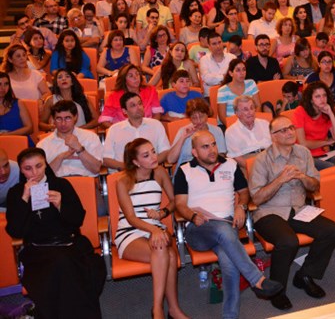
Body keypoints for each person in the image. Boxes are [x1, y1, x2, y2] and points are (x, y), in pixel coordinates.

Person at [174, 131, 283, 319]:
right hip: (199, 229)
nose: (212, 149)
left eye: (213, 144)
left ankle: (230, 315)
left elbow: (244, 192)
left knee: (229, 261)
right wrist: (192, 216)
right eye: (205, 147)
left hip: (226, 226)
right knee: (223, 230)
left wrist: (241, 207)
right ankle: (257, 279)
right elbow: (180, 204)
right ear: (194, 152)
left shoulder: (230, 164)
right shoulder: (185, 171)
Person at [249, 115, 335, 311]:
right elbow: (256, 199)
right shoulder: (262, 160)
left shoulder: (303, 153)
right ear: (273, 136)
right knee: (288, 241)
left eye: (291, 128)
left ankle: (305, 275)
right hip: (269, 212)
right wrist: (280, 180)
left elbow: (314, 186)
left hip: (299, 208)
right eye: (283, 130)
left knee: (331, 230)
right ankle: (277, 290)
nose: (290, 132)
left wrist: (302, 177)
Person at [6, 148, 105, 319]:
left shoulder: (61, 185)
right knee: (62, 266)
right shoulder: (16, 192)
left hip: (69, 243)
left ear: (46, 165)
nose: (34, 173)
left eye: (39, 166)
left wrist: (61, 205)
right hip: (38, 250)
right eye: (28, 168)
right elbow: (15, 231)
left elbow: (78, 220)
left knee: (79, 267)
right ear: (21, 170)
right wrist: (24, 199)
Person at [115, 139, 189, 319]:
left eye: (153, 152)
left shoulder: (160, 173)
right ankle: (160, 310)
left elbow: (175, 201)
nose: (154, 157)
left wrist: (163, 212)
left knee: (165, 251)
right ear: (135, 162)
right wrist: (154, 230)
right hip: (130, 232)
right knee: (168, 253)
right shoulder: (122, 181)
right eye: (146, 155)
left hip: (156, 227)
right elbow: (131, 218)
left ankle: (169, 310)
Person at [102, 92, 171, 171]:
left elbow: (165, 151)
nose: (139, 107)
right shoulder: (114, 129)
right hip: (125, 172)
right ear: (124, 111)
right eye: (133, 105)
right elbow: (107, 159)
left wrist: (147, 165)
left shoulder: (156, 125)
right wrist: (130, 167)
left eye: (140, 103)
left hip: (151, 171)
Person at [38, 100, 104, 177]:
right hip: (58, 181)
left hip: (84, 180)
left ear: (75, 117)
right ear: (53, 120)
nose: (63, 123)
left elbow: (96, 168)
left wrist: (79, 149)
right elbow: (41, 176)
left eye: (67, 118)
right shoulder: (43, 144)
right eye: (59, 119)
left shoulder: (90, 137)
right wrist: (60, 158)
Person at [293, 82, 335, 170]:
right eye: (317, 96)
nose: (322, 99)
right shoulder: (300, 112)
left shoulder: (326, 112)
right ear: (311, 100)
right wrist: (326, 142)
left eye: (324, 95)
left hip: (323, 154)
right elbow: (303, 144)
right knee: (333, 169)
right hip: (305, 156)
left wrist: (331, 114)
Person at [164, 98, 227, 168]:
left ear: (207, 115)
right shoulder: (183, 131)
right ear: (190, 118)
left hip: (210, 166)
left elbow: (221, 155)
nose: (199, 121)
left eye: (201, 116)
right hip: (188, 168)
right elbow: (170, 160)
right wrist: (183, 138)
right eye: (194, 118)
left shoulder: (217, 131)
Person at [224, 96, 271, 168]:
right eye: (245, 109)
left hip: (269, 158)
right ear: (237, 113)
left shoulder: (265, 124)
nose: (250, 112)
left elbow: (275, 145)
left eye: (252, 108)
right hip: (248, 163)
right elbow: (236, 157)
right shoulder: (231, 132)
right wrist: (252, 168)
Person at [217, 60, 261, 127]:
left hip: (250, 121)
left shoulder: (251, 83)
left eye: (244, 70)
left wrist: (252, 121)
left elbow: (258, 106)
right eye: (238, 70)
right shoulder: (223, 90)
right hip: (231, 124)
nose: (242, 73)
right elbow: (222, 116)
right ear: (231, 73)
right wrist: (236, 128)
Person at [0, 72, 33, 142]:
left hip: (20, 142)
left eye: (6, 84)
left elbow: (29, 128)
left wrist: (8, 135)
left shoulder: (18, 103)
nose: (2, 88)